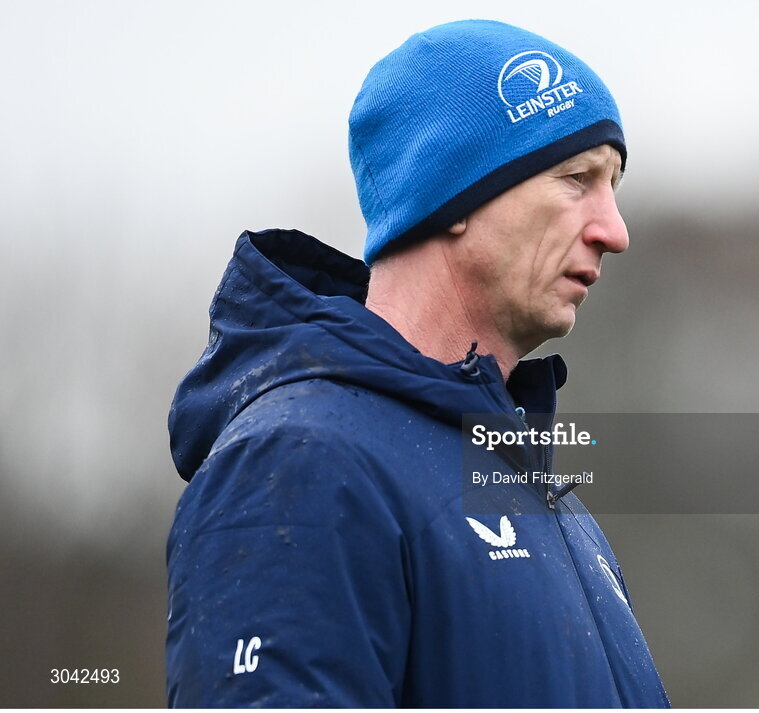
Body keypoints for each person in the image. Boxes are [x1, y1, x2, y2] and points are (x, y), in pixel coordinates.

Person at [166, 19, 669, 708]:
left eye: (613, 185)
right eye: (576, 179)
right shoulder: (300, 460)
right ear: (452, 196)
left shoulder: (543, 494)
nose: (615, 231)